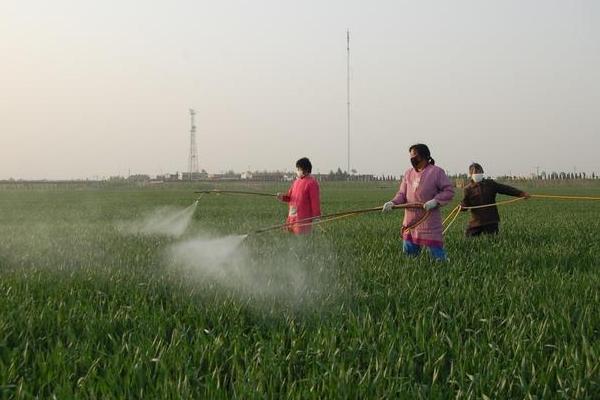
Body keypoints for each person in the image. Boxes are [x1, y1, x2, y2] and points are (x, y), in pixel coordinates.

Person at [382, 144, 454, 261]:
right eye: (411, 156)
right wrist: (393, 203)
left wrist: (435, 201)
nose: (412, 159)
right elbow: (402, 194)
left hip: (428, 220)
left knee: (438, 256)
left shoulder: (436, 172)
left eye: (415, 156)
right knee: (410, 257)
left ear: (424, 156)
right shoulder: (408, 173)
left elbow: (448, 191)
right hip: (411, 222)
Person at [460, 162, 529, 237]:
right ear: (471, 174)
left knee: (492, 240)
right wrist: (461, 207)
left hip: (491, 220)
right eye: (475, 172)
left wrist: (520, 193)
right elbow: (465, 204)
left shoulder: (490, 184)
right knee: (468, 240)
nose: (478, 174)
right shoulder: (468, 189)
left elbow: (505, 189)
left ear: (482, 172)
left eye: (479, 172)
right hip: (476, 222)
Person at [277, 157, 321, 235]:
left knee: (302, 238)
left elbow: (315, 201)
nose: (297, 171)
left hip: (303, 218)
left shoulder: (312, 183)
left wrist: (316, 216)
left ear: (305, 170)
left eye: (298, 169)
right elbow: (290, 197)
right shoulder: (296, 182)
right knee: (290, 237)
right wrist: (282, 197)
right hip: (291, 217)